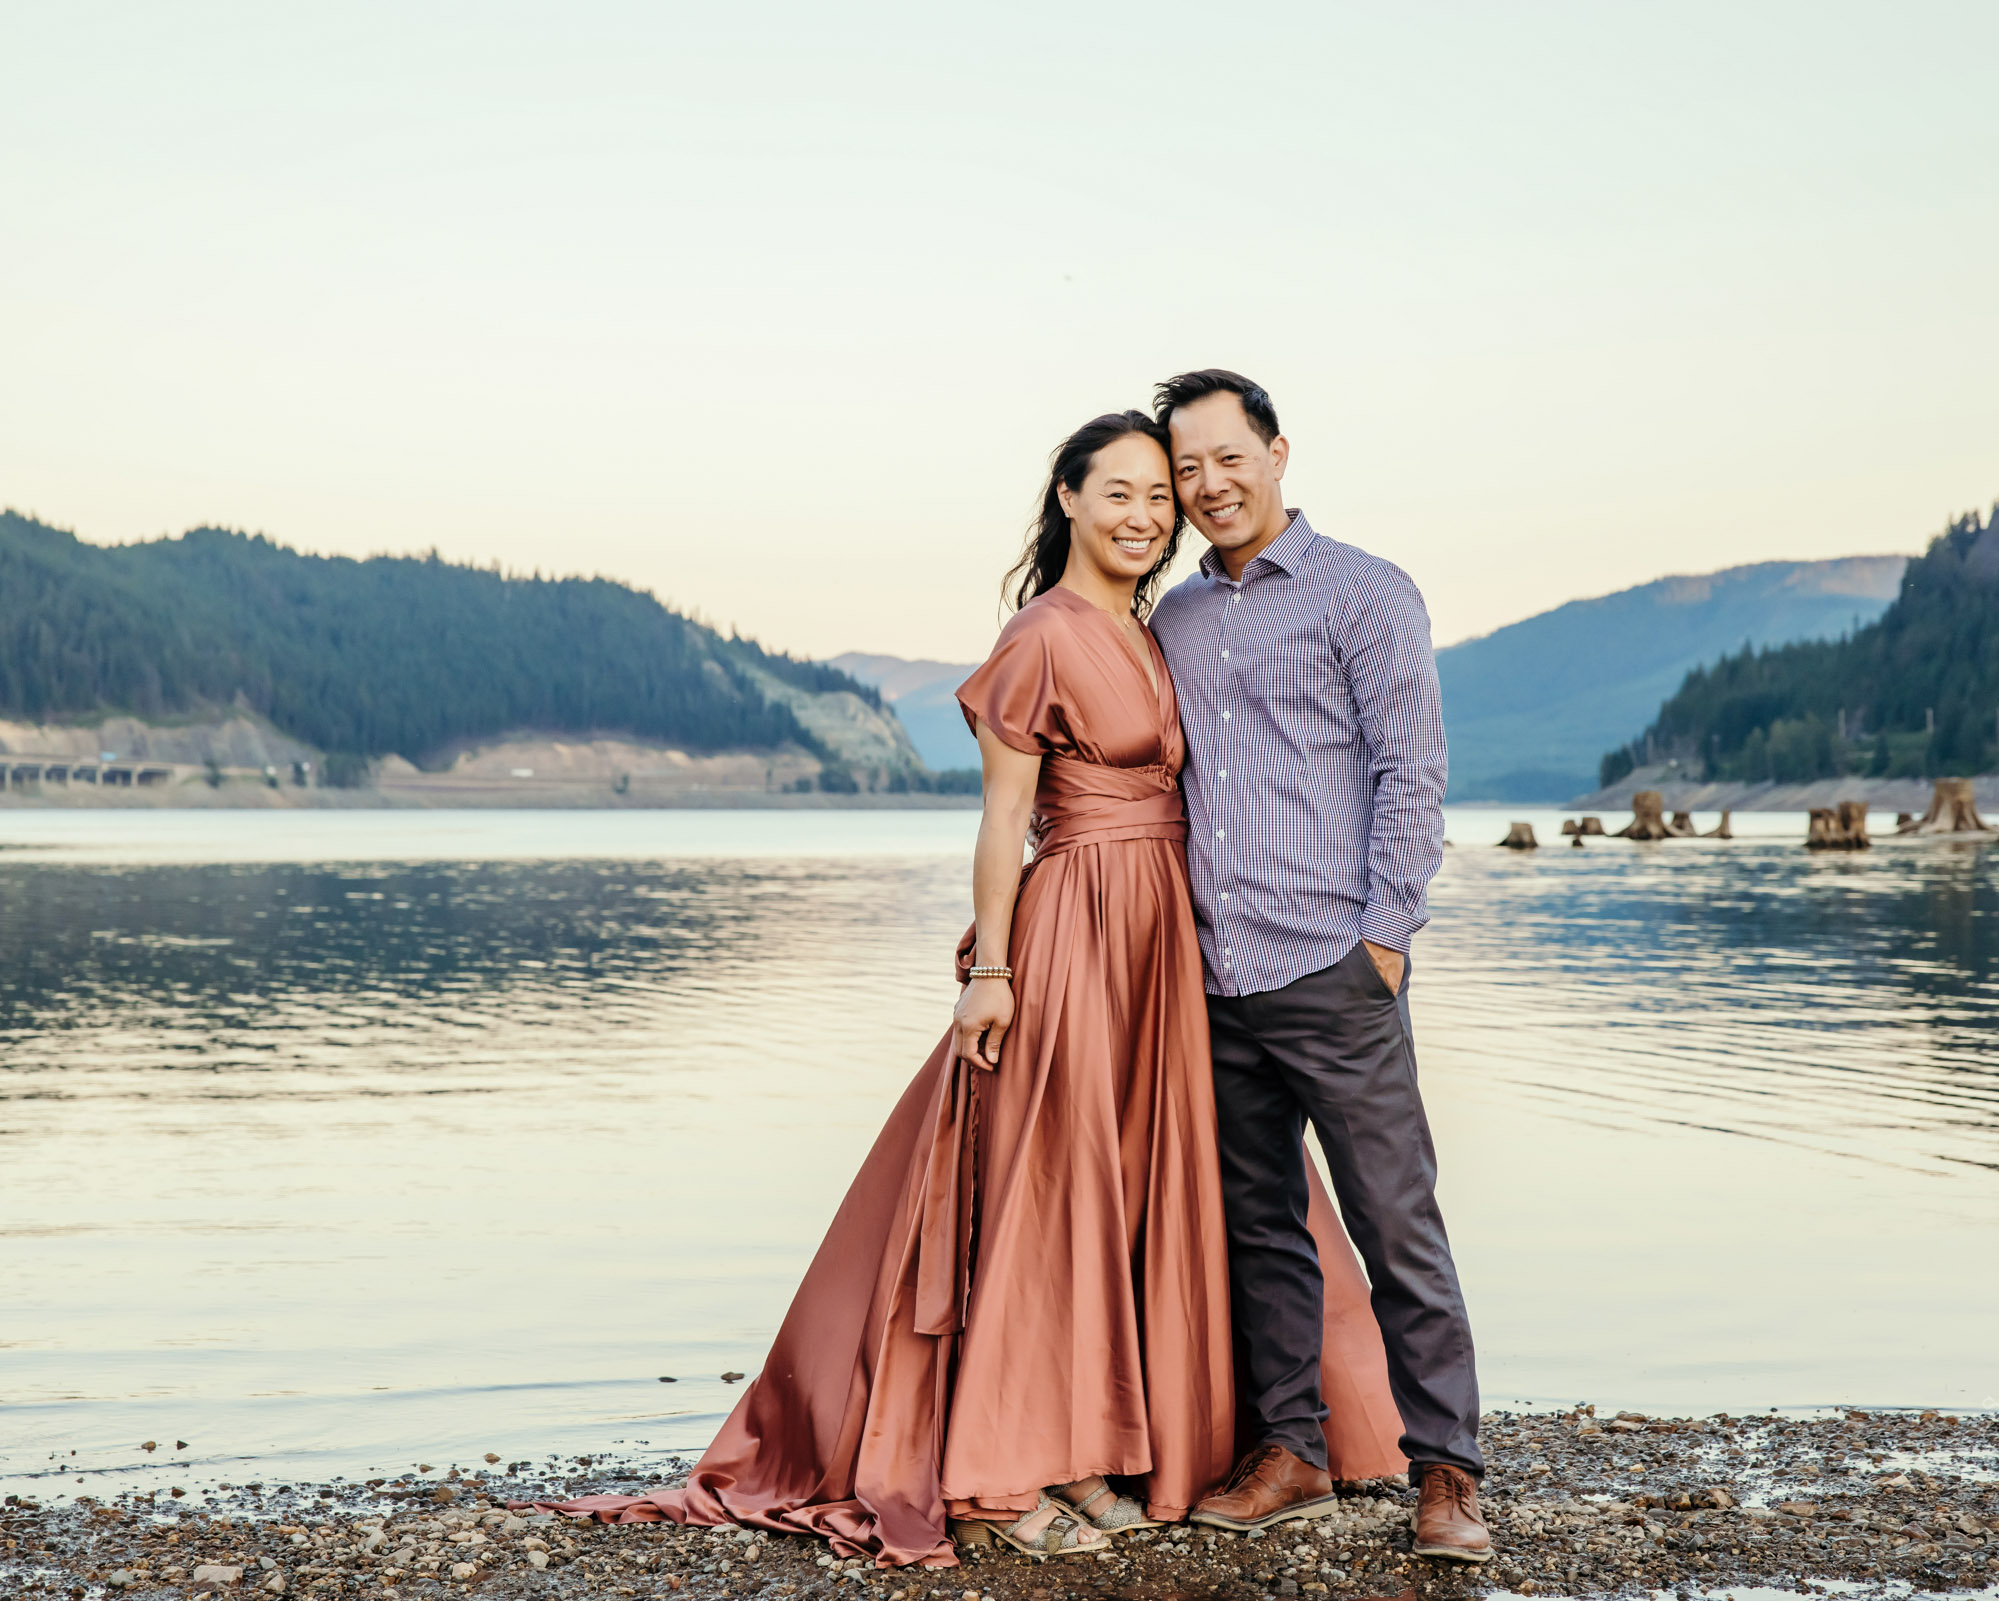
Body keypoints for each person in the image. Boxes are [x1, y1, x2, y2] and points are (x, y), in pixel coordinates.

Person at [522, 411, 1407, 1567]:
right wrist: (992, 970)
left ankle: (1104, 1449)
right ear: (1070, 501)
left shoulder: (1151, 627)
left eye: (1161, 496)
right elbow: (1002, 817)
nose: (1147, 515)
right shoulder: (1044, 634)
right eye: (1121, 494)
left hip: (1164, 936)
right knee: (1059, 1190)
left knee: (1138, 1187)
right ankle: (1003, 1468)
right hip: (1081, 928)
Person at [1147, 369, 1492, 1564]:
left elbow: (1413, 773)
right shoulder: (1175, 620)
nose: (1207, 486)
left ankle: (1448, 1471)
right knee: (1259, 1225)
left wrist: (1386, 939)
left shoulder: (1366, 592)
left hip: (1334, 967)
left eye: (1227, 459)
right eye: (1187, 468)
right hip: (1216, 974)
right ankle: (1289, 1450)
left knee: (1396, 1219)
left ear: (1279, 452)